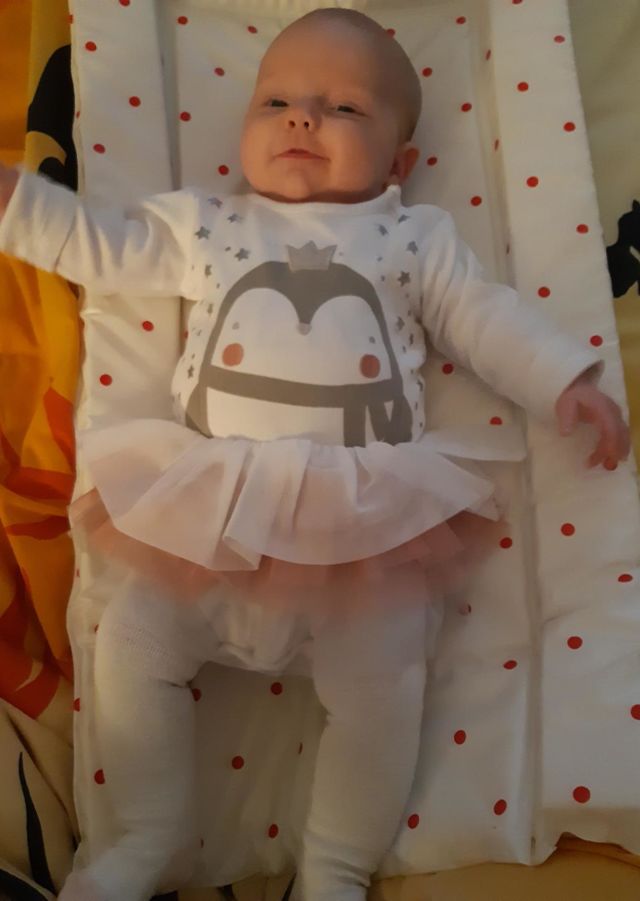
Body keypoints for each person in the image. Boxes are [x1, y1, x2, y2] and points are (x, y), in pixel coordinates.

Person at [0, 8, 630, 901]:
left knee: (385, 693)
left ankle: (335, 866)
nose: (303, 117)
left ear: (399, 163)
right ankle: (139, 840)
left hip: (357, 534)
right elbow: (110, 249)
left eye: (344, 108)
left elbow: (485, 319)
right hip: (217, 517)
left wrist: (563, 379)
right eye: (278, 102)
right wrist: (22, 207)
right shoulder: (210, 224)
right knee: (131, 643)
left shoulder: (414, 239)